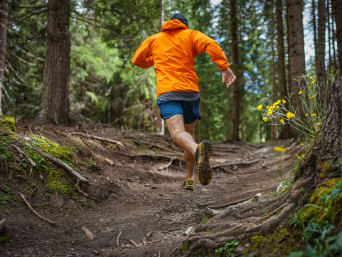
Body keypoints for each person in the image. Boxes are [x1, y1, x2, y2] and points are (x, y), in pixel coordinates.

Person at [132, 14, 236, 191]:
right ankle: (189, 179)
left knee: (178, 134)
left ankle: (199, 152)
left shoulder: (154, 40)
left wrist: (156, 59)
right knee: (188, 135)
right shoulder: (191, 35)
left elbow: (137, 60)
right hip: (190, 93)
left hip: (168, 92)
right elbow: (212, 44)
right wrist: (224, 67)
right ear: (185, 25)